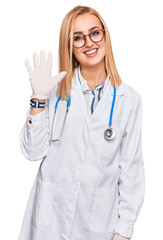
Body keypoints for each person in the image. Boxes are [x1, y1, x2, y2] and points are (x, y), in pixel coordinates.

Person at [18, 5, 145, 240]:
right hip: (49, 224)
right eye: (78, 38)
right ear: (69, 47)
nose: (89, 43)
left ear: (105, 35)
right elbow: (32, 152)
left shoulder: (129, 101)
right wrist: (38, 100)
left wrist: (124, 231)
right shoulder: (53, 93)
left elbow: (131, 170)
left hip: (97, 226)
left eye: (95, 33)